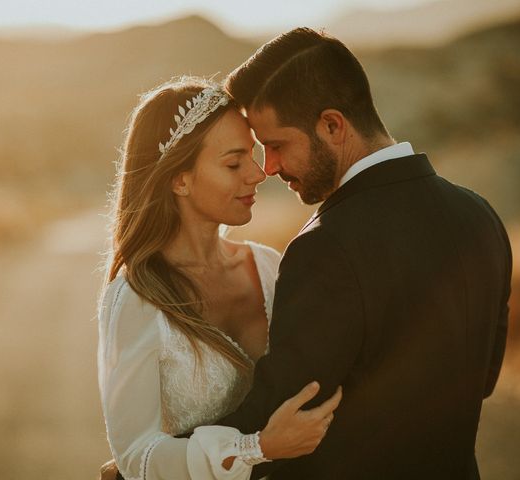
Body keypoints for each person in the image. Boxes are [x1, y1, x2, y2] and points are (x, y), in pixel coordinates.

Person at [200, 27, 511, 480]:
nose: (269, 167)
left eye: (278, 145)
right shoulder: (480, 215)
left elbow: (281, 412)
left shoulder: (325, 247)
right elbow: (484, 380)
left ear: (332, 124)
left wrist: (149, 468)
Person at [97, 77, 343, 480]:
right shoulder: (137, 297)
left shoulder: (269, 267)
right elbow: (135, 457)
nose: (257, 174)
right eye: (233, 163)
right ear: (179, 180)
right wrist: (254, 448)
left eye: (252, 155)